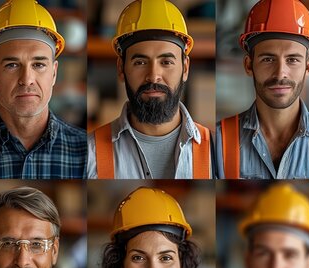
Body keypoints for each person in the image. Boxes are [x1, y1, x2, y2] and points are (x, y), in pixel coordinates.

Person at [87, 0, 214, 179]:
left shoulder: (218, 154)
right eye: (140, 62)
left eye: (166, 62)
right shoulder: (89, 155)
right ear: (121, 69)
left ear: (185, 68)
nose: (154, 76)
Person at [0, 0, 87, 179]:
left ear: (54, 73)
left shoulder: (86, 152)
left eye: (38, 64)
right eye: (12, 65)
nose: (27, 79)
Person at [216, 0, 309, 179]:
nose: (280, 73)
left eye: (292, 59)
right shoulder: (219, 140)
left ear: (308, 67)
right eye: (268, 59)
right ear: (248, 65)